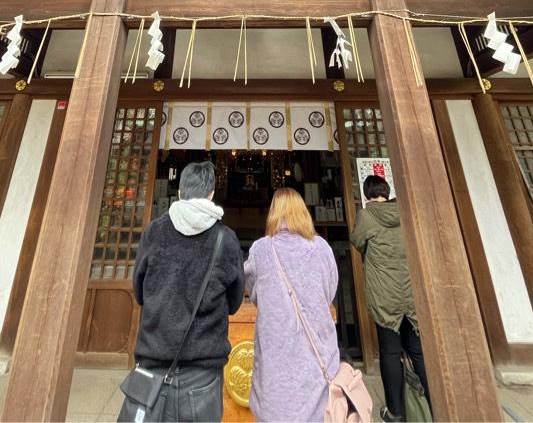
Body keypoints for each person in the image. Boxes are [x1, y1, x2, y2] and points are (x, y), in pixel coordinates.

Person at [130, 161, 245, 422]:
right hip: (203, 367)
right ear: (211, 194)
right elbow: (235, 300)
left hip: (153, 362)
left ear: (180, 192)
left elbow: (139, 291)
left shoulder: (154, 232)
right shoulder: (225, 239)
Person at [245, 187, 341, 422]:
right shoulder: (321, 248)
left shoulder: (261, 249)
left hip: (275, 358)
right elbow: (329, 290)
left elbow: (252, 291)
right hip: (317, 357)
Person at [350, 175, 431, 422]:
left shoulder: (366, 216)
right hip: (410, 291)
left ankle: (396, 411)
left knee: (390, 352)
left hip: (385, 294)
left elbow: (357, 241)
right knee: (418, 352)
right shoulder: (404, 213)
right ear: (387, 192)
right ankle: (431, 404)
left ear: (366, 194)